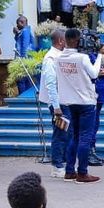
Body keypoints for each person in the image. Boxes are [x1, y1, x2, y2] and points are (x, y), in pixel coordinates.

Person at [56, 28, 104, 184]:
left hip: (69, 101)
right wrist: (99, 55)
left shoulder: (59, 58)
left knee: (74, 136)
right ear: (76, 41)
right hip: (85, 102)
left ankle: (69, 171)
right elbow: (93, 74)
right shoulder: (82, 58)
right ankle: (82, 173)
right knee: (85, 137)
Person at [38, 29, 68, 178]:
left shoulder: (60, 56)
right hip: (57, 104)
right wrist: (56, 106)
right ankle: (57, 165)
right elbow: (51, 84)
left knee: (66, 132)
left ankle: (63, 161)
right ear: (60, 41)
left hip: (64, 101)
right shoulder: (50, 58)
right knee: (60, 133)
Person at [13, 15, 34, 94]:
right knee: (27, 81)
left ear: (21, 22)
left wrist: (21, 62)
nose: (16, 26)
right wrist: (17, 33)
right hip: (26, 60)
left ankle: (23, 97)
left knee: (21, 81)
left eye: (17, 23)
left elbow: (24, 47)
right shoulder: (25, 31)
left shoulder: (25, 31)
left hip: (23, 60)